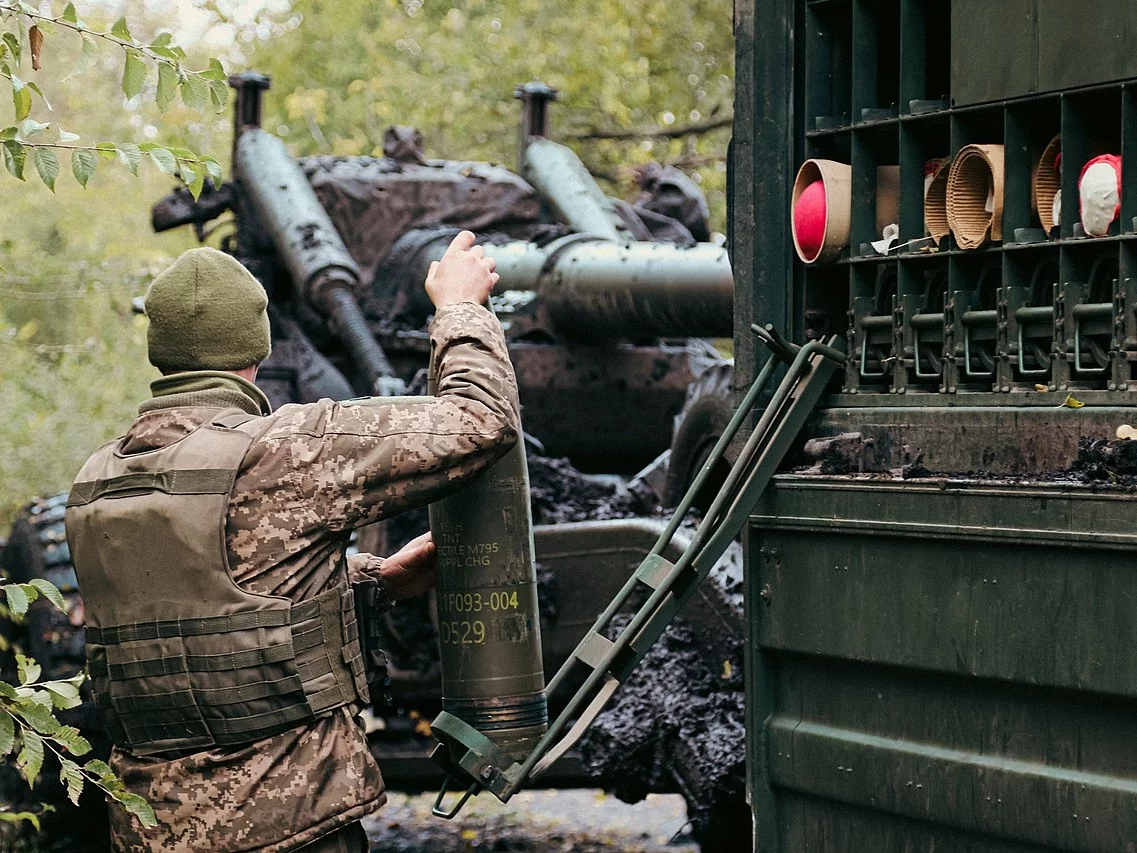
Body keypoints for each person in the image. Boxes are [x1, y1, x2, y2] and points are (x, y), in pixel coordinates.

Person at [64, 231, 517, 852]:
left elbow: (203, 613)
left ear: (160, 352)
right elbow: (480, 423)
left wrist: (374, 581)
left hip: (151, 832)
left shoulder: (98, 481)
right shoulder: (283, 450)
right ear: (257, 347)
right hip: (287, 825)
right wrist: (460, 308)